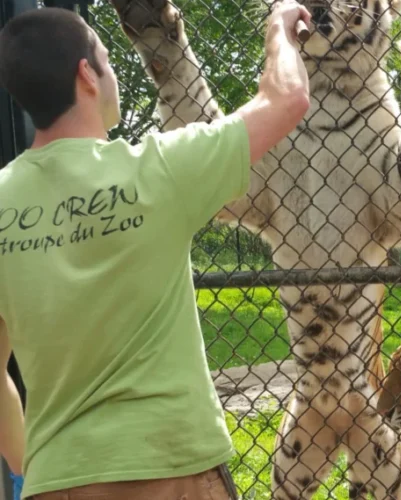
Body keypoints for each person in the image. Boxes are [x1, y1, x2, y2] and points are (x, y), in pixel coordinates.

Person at [0, 2, 311, 498]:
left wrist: (34, 470)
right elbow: (287, 98)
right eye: (106, 57)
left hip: (55, 477)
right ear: (87, 75)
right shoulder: (159, 168)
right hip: (172, 465)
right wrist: (280, 27)